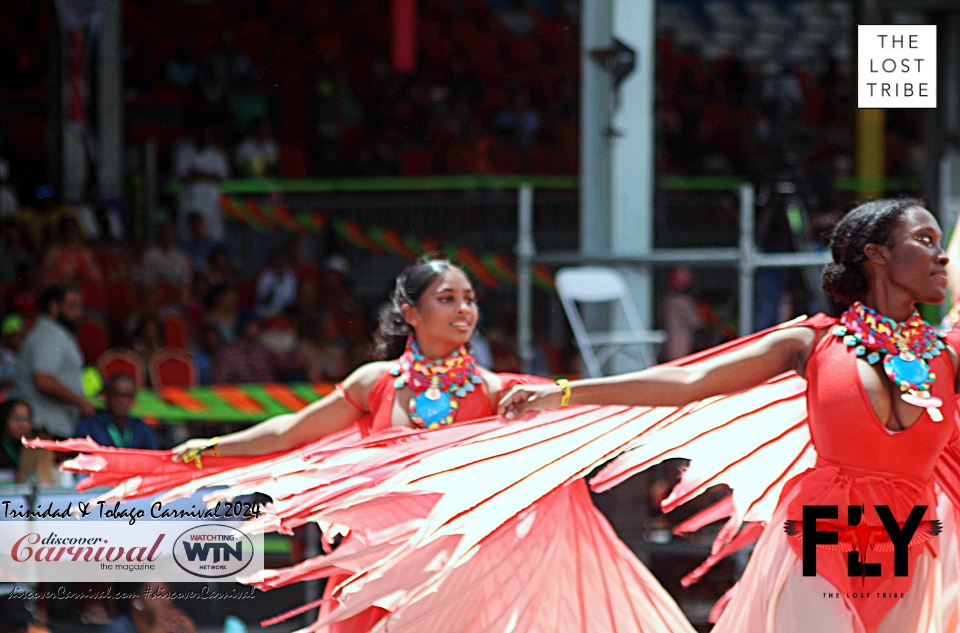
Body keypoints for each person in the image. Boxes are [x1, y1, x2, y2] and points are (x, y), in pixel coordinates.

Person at [44, 259, 697, 633]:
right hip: (373, 563)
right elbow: (286, 431)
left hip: (453, 572)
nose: (465, 310)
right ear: (410, 312)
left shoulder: (497, 388)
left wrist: (580, 396)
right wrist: (211, 446)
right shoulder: (373, 382)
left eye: (471, 299)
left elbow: (578, 403)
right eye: (448, 298)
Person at [500, 198, 960, 633]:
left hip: (905, 534)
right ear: (875, 254)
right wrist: (564, 391)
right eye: (925, 240)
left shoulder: (948, 355)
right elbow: (687, 382)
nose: (941, 256)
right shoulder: (812, 342)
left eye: (942, 244)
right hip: (824, 526)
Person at [12, 285, 94, 439]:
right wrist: (81, 402)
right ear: (54, 307)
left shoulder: (56, 333)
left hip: (52, 425)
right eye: (73, 306)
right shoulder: (49, 334)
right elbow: (42, 379)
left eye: (80, 307)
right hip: (43, 427)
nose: (79, 313)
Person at [74, 373, 158, 450]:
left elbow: (153, 456)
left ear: (133, 399)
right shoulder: (89, 425)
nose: (121, 400)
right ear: (107, 395)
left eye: (126, 395)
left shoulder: (141, 427)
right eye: (116, 394)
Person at [102, 582, 197, 633]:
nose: (166, 601)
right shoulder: (119, 628)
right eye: (157, 594)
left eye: (168, 594)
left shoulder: (174, 626)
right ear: (138, 603)